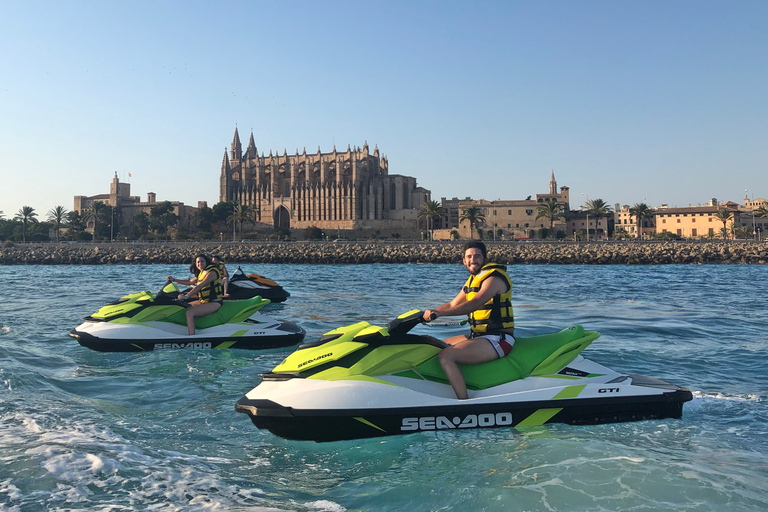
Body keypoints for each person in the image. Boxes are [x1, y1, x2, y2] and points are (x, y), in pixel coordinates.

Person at [423, 241, 515, 399]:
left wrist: (440, 315)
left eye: (477, 256)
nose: (473, 260)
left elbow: (474, 304)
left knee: (447, 356)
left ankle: (464, 402)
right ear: (464, 260)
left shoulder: (493, 278)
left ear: (485, 259)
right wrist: (425, 313)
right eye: (469, 257)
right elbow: (453, 304)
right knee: (433, 347)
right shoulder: (473, 280)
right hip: (478, 336)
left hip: (498, 339)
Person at [167, 254, 223, 335]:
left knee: (189, 313)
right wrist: (174, 280)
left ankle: (191, 336)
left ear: (207, 262)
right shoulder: (202, 273)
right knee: (183, 306)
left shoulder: (212, 273)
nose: (200, 264)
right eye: (198, 262)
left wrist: (187, 296)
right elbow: (190, 282)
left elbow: (200, 286)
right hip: (204, 301)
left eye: (202, 261)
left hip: (214, 302)